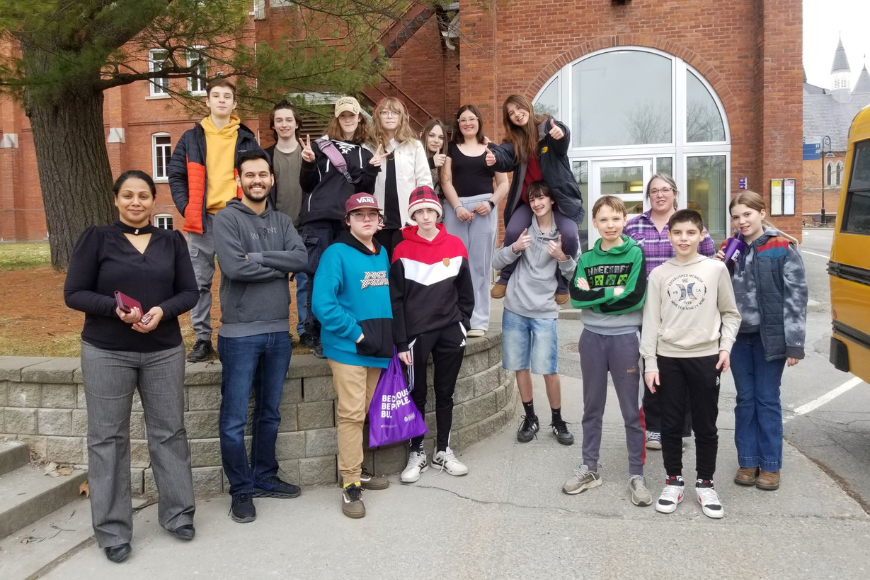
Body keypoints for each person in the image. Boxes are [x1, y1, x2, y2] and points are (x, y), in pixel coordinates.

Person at [64, 171, 199, 563]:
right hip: (106, 351)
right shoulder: (96, 238)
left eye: (143, 195)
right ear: (116, 200)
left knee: (169, 432)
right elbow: (73, 293)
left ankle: (178, 514)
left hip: (163, 350)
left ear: (153, 200)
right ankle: (112, 530)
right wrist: (115, 310)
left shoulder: (171, 240)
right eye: (128, 195)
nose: (136, 202)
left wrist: (161, 310)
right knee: (107, 439)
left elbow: (189, 291)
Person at [213, 150, 308, 523]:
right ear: (240, 178)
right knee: (235, 418)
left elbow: (300, 259)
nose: (257, 180)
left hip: (277, 334)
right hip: (239, 335)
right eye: (250, 175)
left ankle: (265, 476)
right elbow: (234, 267)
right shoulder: (226, 218)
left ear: (271, 179)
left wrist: (258, 258)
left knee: (269, 414)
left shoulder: (283, 220)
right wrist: (274, 261)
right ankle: (241, 490)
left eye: (263, 175)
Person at [640, 209, 741, 519]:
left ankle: (706, 483)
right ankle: (673, 481)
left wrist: (725, 348)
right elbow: (651, 322)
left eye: (690, 233)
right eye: (677, 233)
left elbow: (730, 313)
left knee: (705, 424)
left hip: (706, 358)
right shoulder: (658, 274)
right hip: (669, 359)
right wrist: (650, 363)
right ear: (669, 236)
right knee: (670, 424)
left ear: (701, 235)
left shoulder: (715, 269)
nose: (683, 238)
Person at [716, 191, 807, 491]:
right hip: (739, 338)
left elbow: (796, 297)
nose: (741, 221)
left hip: (770, 337)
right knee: (744, 400)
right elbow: (720, 294)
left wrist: (794, 343)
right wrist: (719, 266)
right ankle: (748, 460)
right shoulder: (731, 248)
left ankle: (770, 465)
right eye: (736, 216)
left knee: (766, 399)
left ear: (762, 212)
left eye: (747, 214)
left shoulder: (782, 247)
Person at [563, 196, 651, 507]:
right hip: (592, 338)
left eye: (615, 218)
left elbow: (635, 297)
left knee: (631, 410)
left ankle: (636, 474)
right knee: (592, 407)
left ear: (624, 220)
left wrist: (596, 296)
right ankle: (590, 468)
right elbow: (576, 298)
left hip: (626, 338)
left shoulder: (635, 254)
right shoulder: (586, 259)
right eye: (603, 220)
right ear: (595, 223)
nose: (610, 225)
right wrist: (613, 291)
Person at [168, 77, 263, 363]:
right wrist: (186, 207)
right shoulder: (191, 138)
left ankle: (236, 335)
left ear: (234, 104)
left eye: (227, 96)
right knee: (199, 282)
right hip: (202, 219)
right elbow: (176, 175)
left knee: (238, 277)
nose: (221, 100)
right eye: (216, 95)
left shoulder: (246, 138)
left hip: (236, 218)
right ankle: (202, 339)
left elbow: (257, 177)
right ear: (207, 101)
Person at [312, 193, 394, 519]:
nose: (366, 220)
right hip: (348, 348)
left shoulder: (382, 252)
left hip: (376, 350)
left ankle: (356, 469)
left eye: (371, 214)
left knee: (363, 412)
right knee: (350, 414)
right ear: (348, 221)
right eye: (359, 215)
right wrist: (356, 333)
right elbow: (322, 304)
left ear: (379, 220)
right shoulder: (335, 253)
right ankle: (350, 484)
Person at [624, 173, 716, 451]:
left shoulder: (688, 224)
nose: (660, 195)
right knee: (651, 367)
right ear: (648, 196)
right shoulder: (633, 225)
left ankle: (678, 429)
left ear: (675, 193)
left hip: (684, 310)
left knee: (684, 370)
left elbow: (710, 262)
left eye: (665, 190)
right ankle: (654, 427)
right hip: (646, 309)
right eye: (654, 191)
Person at [391, 186, 475, 483]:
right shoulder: (401, 249)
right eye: (419, 211)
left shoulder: (455, 245)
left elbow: (466, 293)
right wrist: (401, 341)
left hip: (450, 331)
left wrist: (462, 324)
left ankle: (444, 450)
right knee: (417, 394)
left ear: (438, 214)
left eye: (430, 210)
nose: (425, 216)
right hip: (416, 335)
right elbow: (396, 301)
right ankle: (417, 452)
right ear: (412, 215)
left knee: (445, 392)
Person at [492, 181, 578, 446]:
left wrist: (562, 256)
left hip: (544, 311)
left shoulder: (563, 234)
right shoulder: (522, 229)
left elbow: (573, 274)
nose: (537, 203)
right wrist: (515, 247)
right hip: (515, 309)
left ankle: (557, 419)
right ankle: (530, 417)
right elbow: (495, 262)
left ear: (552, 200)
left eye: (542, 198)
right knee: (520, 367)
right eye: (533, 199)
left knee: (549, 370)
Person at [299, 96, 380, 358]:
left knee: (344, 277)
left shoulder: (365, 153)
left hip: (347, 222)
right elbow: (307, 185)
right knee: (315, 276)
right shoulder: (319, 146)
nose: (348, 120)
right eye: (343, 115)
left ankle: (338, 329)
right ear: (337, 118)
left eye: (352, 115)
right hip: (318, 219)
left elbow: (363, 193)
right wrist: (308, 163)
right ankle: (314, 332)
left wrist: (372, 169)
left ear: (359, 119)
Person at [486, 94, 583, 304]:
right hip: (530, 201)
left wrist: (560, 132)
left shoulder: (547, 127)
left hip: (558, 199)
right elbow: (504, 155)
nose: (516, 115)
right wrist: (494, 157)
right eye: (511, 113)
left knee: (569, 233)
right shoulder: (515, 141)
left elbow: (561, 137)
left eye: (519, 109)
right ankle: (505, 276)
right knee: (512, 231)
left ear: (528, 107)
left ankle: (562, 283)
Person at [441, 105, 509, 337]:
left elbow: (503, 184)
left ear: (479, 121)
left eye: (472, 119)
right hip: (456, 208)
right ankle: (457, 318)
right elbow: (446, 181)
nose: (467, 123)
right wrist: (457, 206)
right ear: (458, 123)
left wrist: (490, 203)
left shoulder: (492, 149)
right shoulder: (451, 149)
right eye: (463, 120)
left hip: (484, 208)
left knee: (479, 266)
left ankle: (478, 321)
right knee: (453, 263)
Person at [265, 99, 309, 346]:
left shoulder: (309, 154)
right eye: (279, 120)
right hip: (276, 227)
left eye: (288, 119)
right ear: (273, 124)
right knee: (274, 282)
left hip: (305, 227)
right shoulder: (266, 155)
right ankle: (280, 330)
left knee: (305, 281)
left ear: (296, 124)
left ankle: (305, 329)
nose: (284, 124)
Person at [371, 97, 433, 258]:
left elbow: (424, 184)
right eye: (384, 112)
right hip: (379, 223)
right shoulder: (368, 146)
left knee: (405, 268)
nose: (390, 116)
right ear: (378, 117)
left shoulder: (414, 146)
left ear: (402, 117)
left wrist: (419, 217)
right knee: (381, 268)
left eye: (394, 112)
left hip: (406, 221)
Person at [421, 118, 448, 198]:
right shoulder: (413, 155)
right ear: (422, 135)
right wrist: (431, 163)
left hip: (443, 205)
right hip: (422, 203)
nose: (436, 141)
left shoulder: (447, 157)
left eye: (441, 137)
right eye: (431, 135)